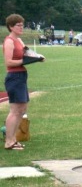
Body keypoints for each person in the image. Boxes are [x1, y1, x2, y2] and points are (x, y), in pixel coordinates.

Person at [3, 14, 45, 150]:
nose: (21, 27)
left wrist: (38, 57)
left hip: (21, 76)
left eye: (22, 25)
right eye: (18, 25)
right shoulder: (9, 41)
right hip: (14, 77)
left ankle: (13, 138)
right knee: (15, 110)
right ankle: (9, 141)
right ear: (11, 27)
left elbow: (27, 53)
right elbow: (8, 62)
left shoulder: (19, 41)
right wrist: (24, 61)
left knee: (22, 109)